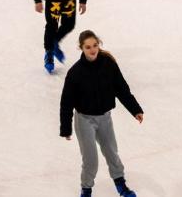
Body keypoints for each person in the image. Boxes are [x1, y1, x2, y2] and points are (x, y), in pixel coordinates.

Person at [60, 30, 143, 197]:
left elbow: (121, 89)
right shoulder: (75, 73)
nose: (92, 50)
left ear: (99, 44)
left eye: (95, 45)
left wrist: (135, 109)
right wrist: (66, 128)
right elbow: (66, 102)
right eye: (88, 47)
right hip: (84, 120)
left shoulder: (108, 64)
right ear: (81, 48)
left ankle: (121, 186)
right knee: (91, 161)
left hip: (105, 118)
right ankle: (86, 190)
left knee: (112, 152)